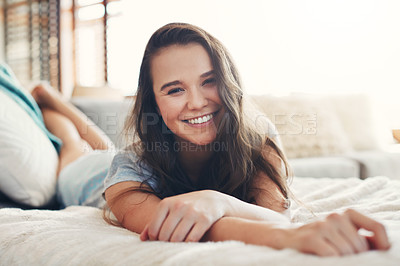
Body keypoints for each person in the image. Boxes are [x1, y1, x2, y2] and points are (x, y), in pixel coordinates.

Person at [36, 23, 390, 257]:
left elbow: (273, 215)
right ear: (154, 104)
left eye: (209, 80)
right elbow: (170, 223)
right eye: (174, 90)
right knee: (72, 151)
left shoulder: (258, 137)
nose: (197, 101)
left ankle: (56, 104)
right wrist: (288, 239)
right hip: (87, 176)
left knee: (100, 147)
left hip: (120, 161)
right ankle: (53, 106)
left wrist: (217, 201)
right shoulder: (128, 167)